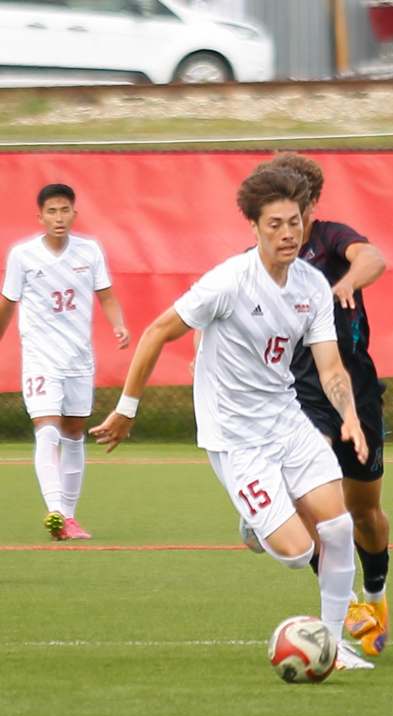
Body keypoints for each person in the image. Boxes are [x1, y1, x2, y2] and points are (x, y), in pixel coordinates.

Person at [89, 165, 373, 671]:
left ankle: (332, 646)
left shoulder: (311, 286)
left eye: (294, 222)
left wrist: (348, 415)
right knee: (294, 549)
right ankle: (256, 520)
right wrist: (126, 409)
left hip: (286, 420)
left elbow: (330, 365)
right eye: (274, 225)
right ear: (254, 227)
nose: (286, 234)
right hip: (236, 437)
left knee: (336, 526)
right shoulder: (229, 282)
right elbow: (157, 331)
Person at [254, 153, 390, 658]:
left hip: (353, 383)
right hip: (300, 391)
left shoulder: (331, 237)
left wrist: (351, 280)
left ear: (311, 204)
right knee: (312, 505)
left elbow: (373, 257)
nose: (291, 222)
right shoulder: (266, 255)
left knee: (364, 510)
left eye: (299, 208)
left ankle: (375, 595)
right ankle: (346, 606)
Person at [0, 183, 129, 540]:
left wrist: (118, 325)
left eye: (64, 210)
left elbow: (106, 296)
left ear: (74, 213)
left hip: (78, 358)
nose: (59, 217)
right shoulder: (23, 255)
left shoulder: (89, 251)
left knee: (73, 435)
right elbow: (8, 303)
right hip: (41, 358)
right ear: (40, 216)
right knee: (47, 429)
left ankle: (68, 518)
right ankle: (55, 508)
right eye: (51, 211)